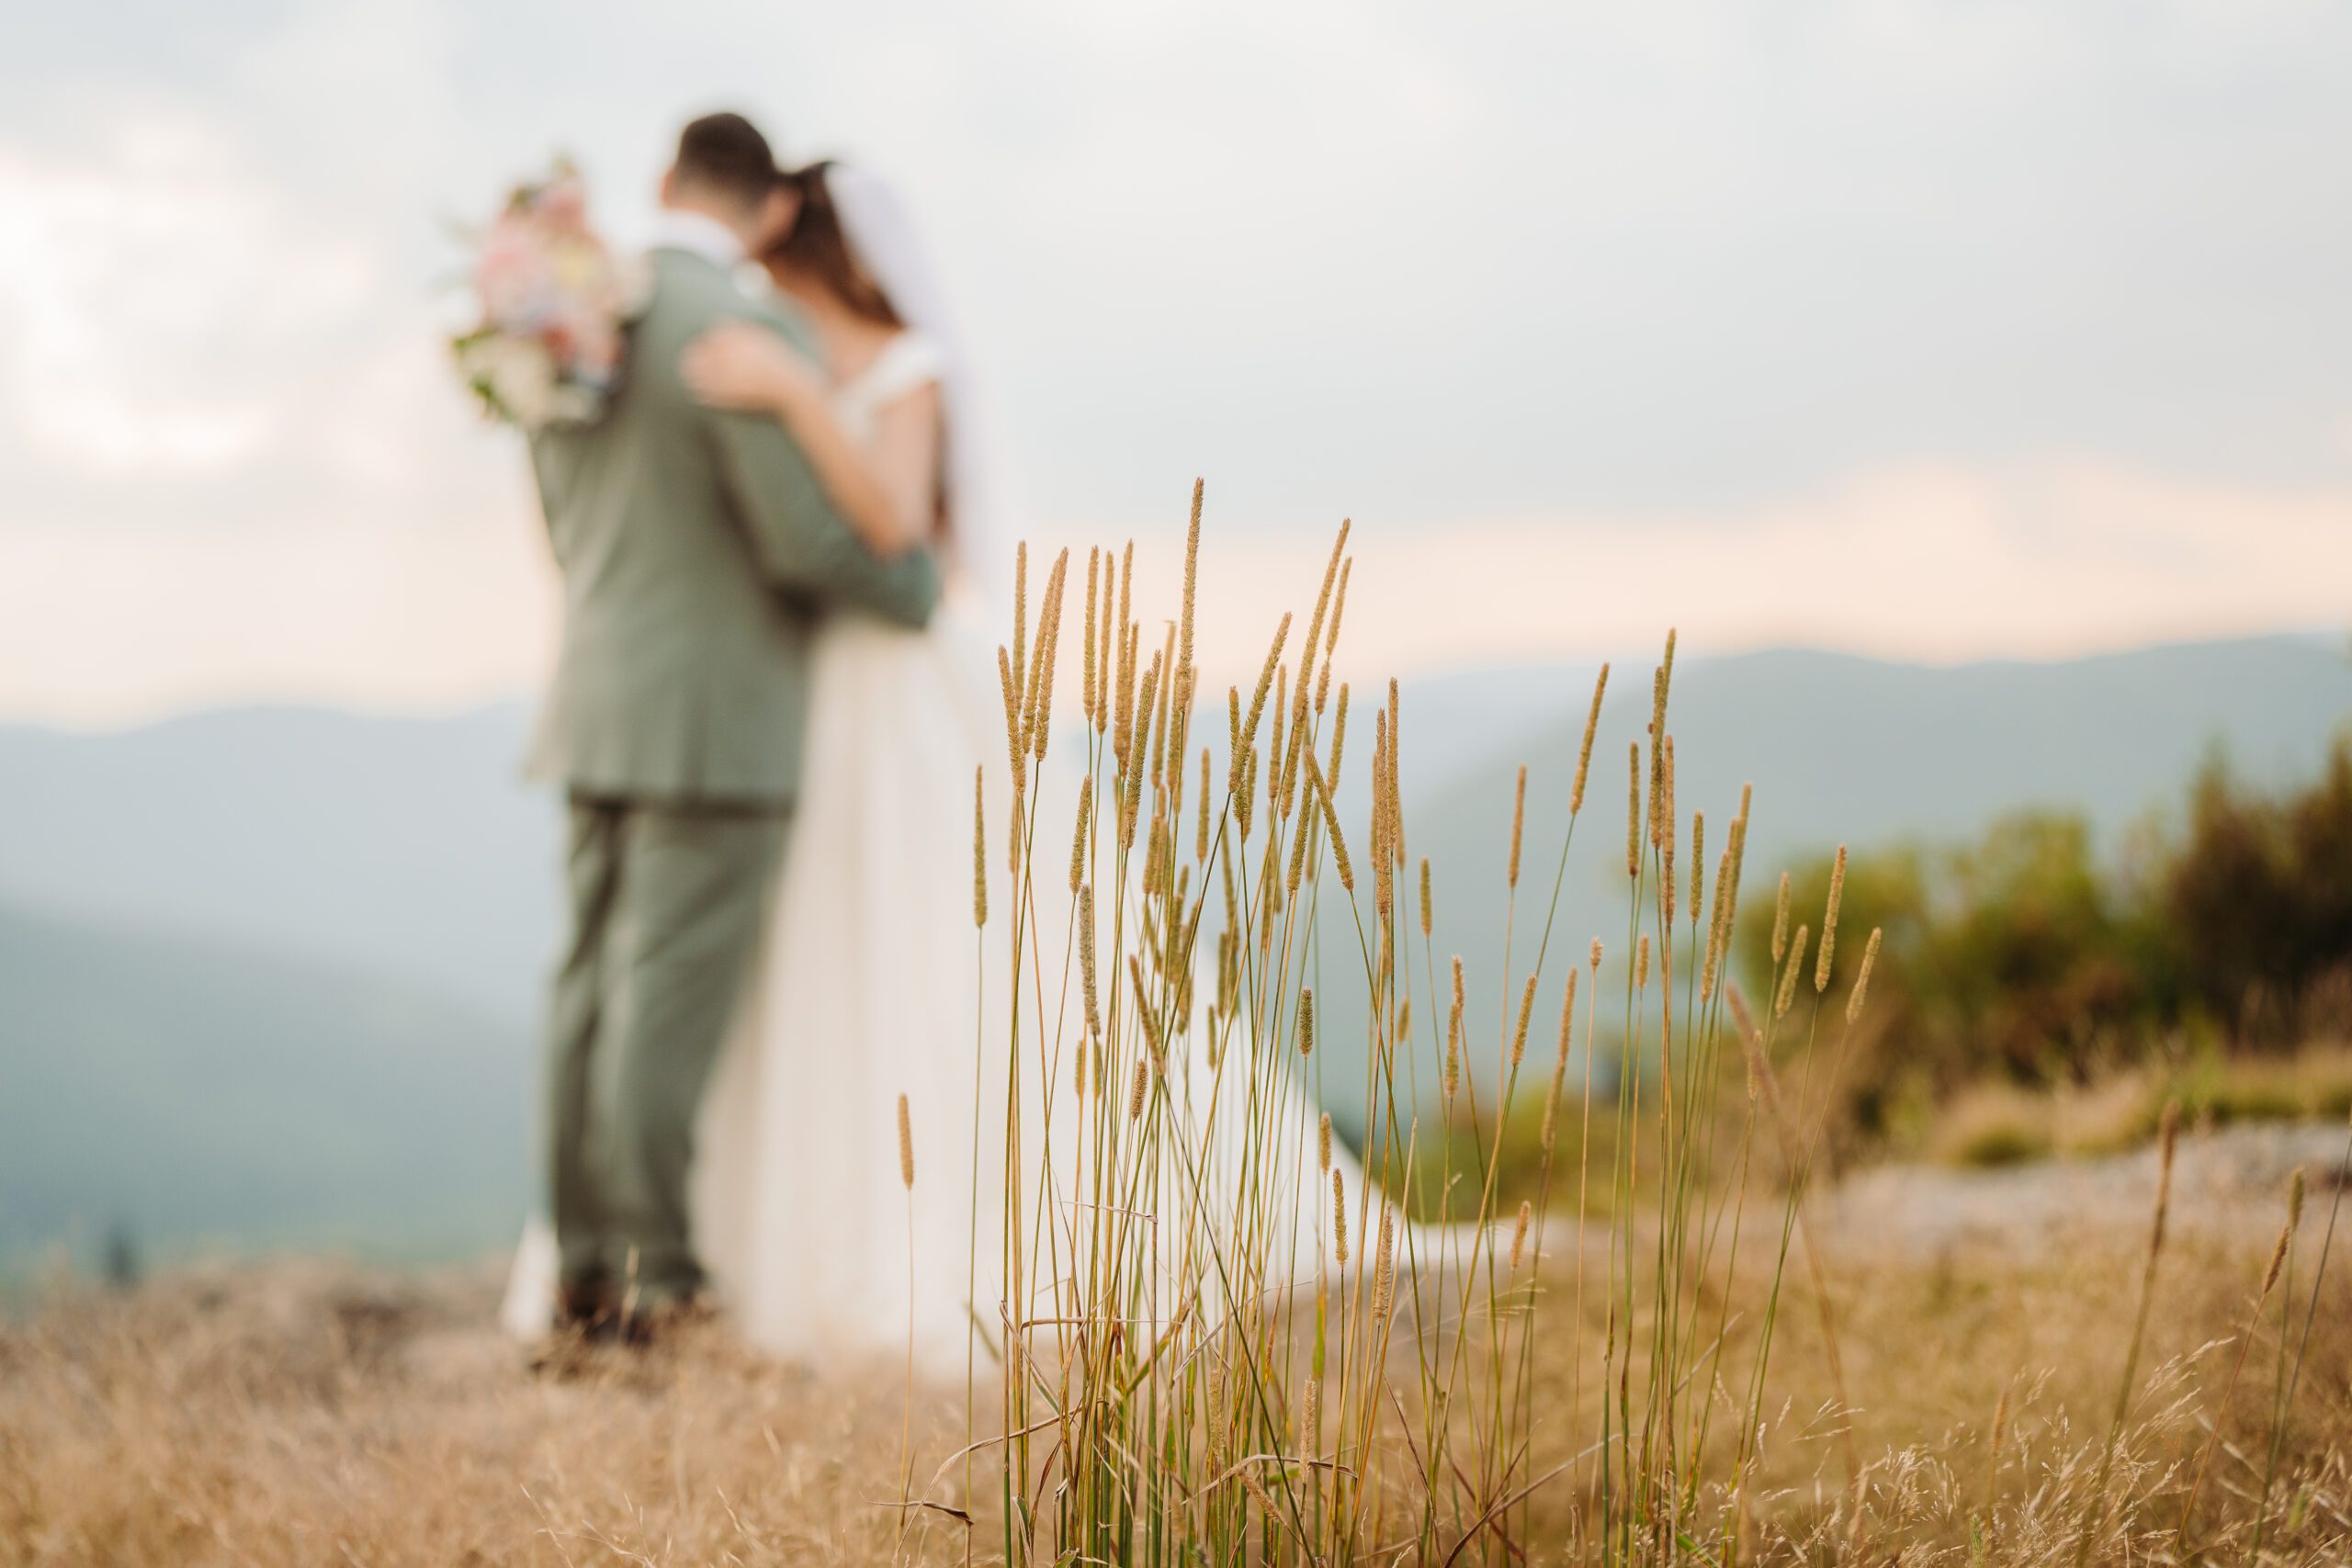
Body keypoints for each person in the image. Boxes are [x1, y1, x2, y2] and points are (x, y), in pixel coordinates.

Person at [512, 114, 941, 1346]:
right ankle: (658, 1279)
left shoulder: (571, 312)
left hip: (593, 691)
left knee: (583, 988)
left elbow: (560, 509)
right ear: (767, 216)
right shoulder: (738, 329)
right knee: (660, 1001)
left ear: (659, 183)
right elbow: (805, 540)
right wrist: (912, 594)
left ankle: (582, 1272)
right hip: (714, 715)